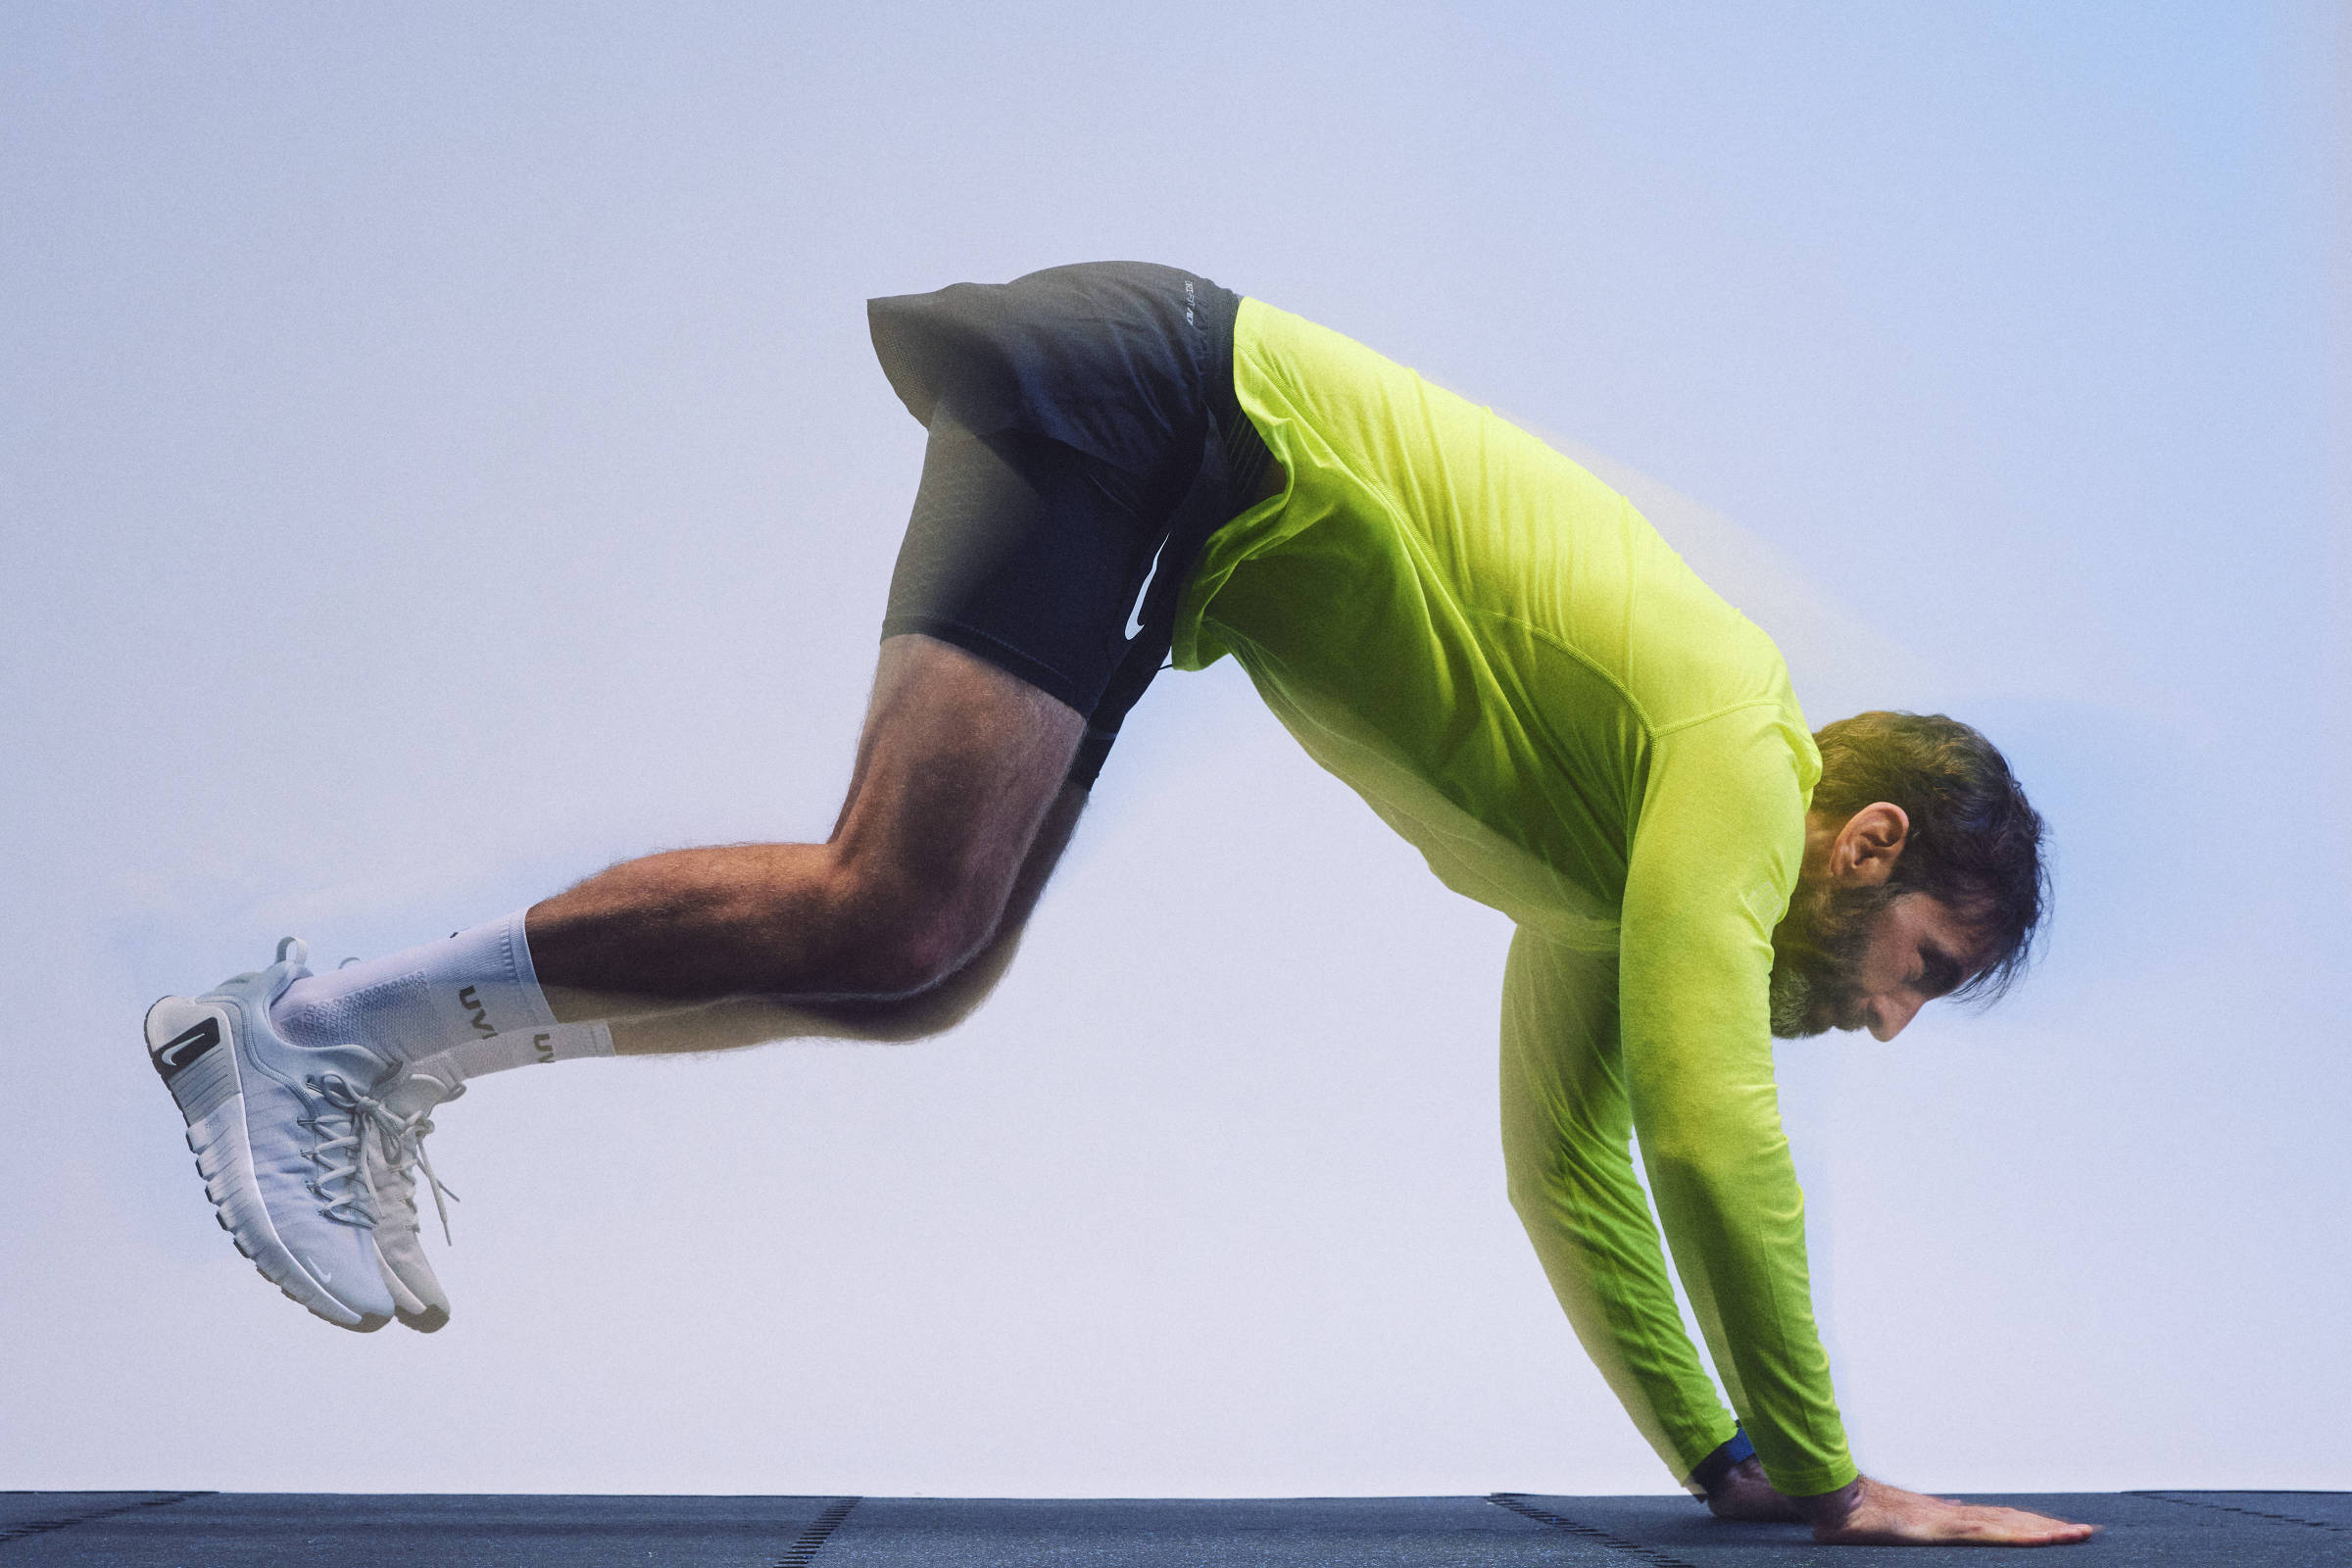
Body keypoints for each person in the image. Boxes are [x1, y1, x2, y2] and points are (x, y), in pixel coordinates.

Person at [146, 263, 2090, 1547]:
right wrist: (1839, 1485)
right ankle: (316, 1033)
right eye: (1922, 970)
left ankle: (354, 1034)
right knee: (899, 907)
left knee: (913, 959)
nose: (1891, 1021)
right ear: (1870, 842)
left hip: (1176, 482)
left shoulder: (1627, 861)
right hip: (1169, 412)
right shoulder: (1738, 759)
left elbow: (1572, 1171)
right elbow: (1704, 1122)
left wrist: (1727, 1461)